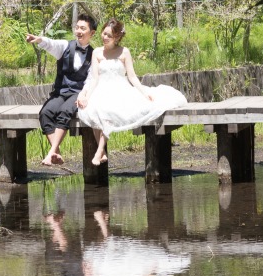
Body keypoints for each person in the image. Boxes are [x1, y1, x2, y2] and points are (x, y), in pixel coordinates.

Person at [76, 18, 188, 166]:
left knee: (107, 112)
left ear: (116, 37)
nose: (104, 37)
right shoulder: (97, 52)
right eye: (104, 34)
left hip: (120, 90)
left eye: (109, 35)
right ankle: (101, 152)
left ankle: (99, 151)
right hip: (101, 89)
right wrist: (86, 96)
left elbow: (132, 77)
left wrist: (144, 92)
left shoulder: (124, 52)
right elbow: (94, 79)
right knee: (94, 109)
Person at [26, 13, 97, 166]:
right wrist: (39, 40)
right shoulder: (65, 46)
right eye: (77, 27)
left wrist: (83, 95)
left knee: (65, 111)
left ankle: (51, 152)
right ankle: (55, 152)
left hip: (77, 93)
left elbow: (91, 79)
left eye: (83, 28)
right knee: (45, 113)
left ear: (92, 33)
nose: (78, 31)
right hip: (60, 92)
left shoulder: (94, 55)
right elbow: (51, 44)